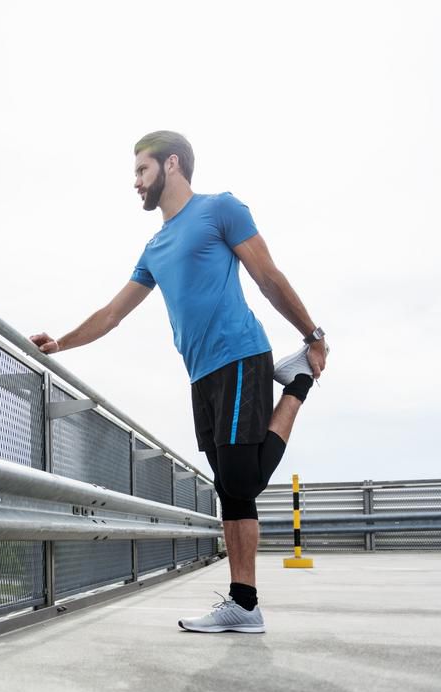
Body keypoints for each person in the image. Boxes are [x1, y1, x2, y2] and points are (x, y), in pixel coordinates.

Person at [29, 130, 327, 633]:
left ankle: (296, 384)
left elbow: (267, 276)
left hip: (239, 354)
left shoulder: (220, 209)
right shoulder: (155, 247)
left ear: (171, 164)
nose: (136, 183)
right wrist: (62, 342)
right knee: (230, 492)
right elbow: (112, 314)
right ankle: (244, 604)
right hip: (201, 373)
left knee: (242, 481)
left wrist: (312, 335)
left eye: (141, 171)